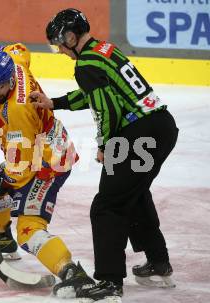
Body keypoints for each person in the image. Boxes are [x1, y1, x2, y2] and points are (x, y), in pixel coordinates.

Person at [30, 8, 179, 300]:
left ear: (70, 37)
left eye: (58, 44)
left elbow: (105, 108)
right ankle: (159, 263)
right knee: (133, 193)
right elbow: (98, 94)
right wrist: (54, 102)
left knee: (107, 205)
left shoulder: (85, 63)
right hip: (161, 126)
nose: (60, 51)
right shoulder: (103, 50)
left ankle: (110, 283)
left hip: (140, 134)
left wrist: (105, 145)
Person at [0, 43, 99, 299]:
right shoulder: (14, 65)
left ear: (10, 80)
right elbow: (18, 48)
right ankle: (2, 241)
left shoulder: (18, 112)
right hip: (40, 147)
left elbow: (19, 170)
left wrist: (0, 181)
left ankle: (72, 274)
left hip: (46, 163)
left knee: (29, 227)